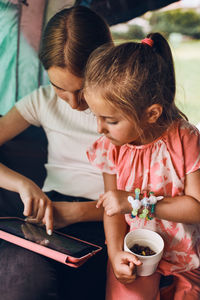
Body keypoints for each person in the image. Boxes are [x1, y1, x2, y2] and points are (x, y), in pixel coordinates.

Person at [0, 6, 113, 300]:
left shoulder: (126, 111)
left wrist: (77, 213)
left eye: (84, 89)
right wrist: (22, 184)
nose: (74, 104)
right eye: (60, 88)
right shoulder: (43, 101)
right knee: (20, 284)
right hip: (50, 217)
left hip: (112, 219)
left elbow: (154, 195)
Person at [84, 33, 200, 300]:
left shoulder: (186, 138)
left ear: (151, 114)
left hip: (186, 257)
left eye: (110, 120)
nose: (99, 128)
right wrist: (115, 254)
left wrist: (139, 204)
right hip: (136, 254)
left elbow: (196, 208)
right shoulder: (110, 146)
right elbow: (112, 208)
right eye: (96, 116)